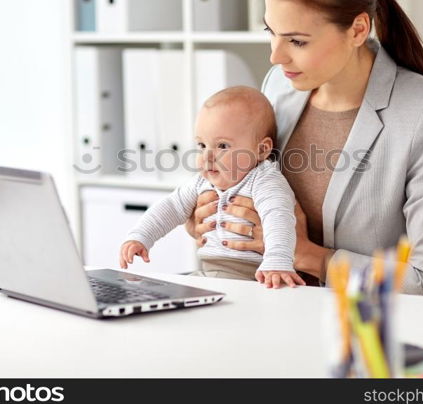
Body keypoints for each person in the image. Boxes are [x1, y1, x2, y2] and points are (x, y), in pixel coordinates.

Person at [185, 0, 423, 298]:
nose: (276, 57)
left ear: (357, 29)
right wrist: (213, 220)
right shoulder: (279, 86)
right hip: (274, 311)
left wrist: (311, 257)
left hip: (366, 329)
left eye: (297, 42)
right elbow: (252, 188)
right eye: (271, 33)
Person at [120, 86, 306, 288]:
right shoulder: (203, 181)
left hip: (250, 277)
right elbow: (171, 207)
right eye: (201, 145)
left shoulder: (264, 180)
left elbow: (278, 217)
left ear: (262, 150)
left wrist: (278, 261)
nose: (207, 157)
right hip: (209, 271)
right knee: (158, 291)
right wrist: (140, 237)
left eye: (222, 146)